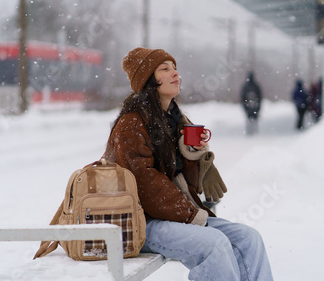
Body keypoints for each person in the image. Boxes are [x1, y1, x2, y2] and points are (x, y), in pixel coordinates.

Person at [103, 47, 274, 281]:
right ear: (148, 80)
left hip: (171, 217)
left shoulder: (174, 120)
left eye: (175, 68)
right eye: (165, 69)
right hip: (141, 221)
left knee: (249, 238)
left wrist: (193, 156)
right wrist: (191, 215)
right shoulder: (131, 124)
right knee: (214, 244)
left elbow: (189, 186)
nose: (175, 73)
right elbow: (144, 184)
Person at [240, 71, 262, 135]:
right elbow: (260, 97)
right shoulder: (256, 86)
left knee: (249, 119)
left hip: (249, 106)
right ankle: (254, 131)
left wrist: (245, 106)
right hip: (254, 106)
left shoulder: (246, 86)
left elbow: (242, 97)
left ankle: (250, 132)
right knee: (254, 120)